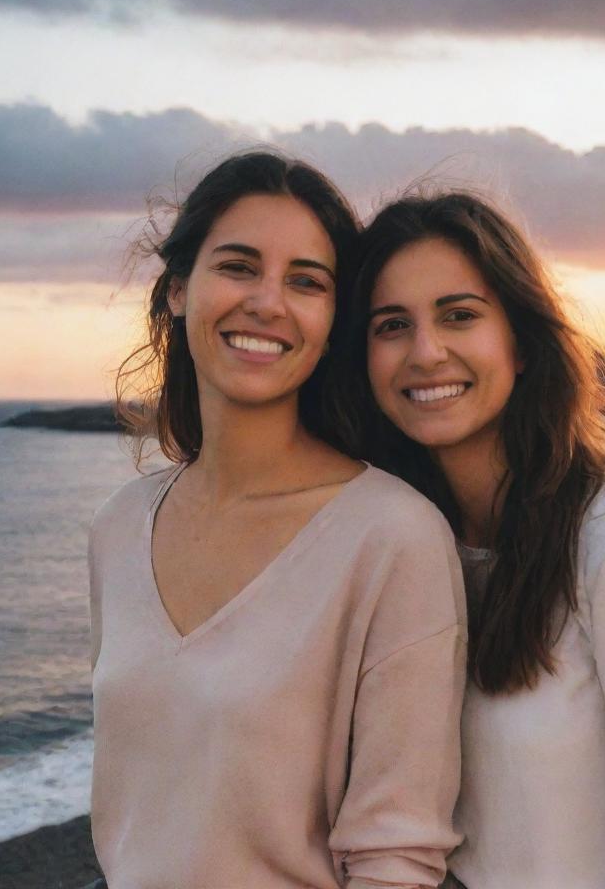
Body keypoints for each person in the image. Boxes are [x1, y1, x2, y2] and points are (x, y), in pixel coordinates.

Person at [347, 190, 605, 889]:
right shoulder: (396, 544)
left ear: (524, 342)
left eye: (459, 315)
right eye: (391, 325)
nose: (426, 352)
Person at [88, 152, 467, 889]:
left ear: (331, 324)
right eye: (238, 267)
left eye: (306, 282)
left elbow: (399, 856)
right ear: (175, 291)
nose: (267, 303)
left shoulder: (392, 535)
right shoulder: (118, 526)